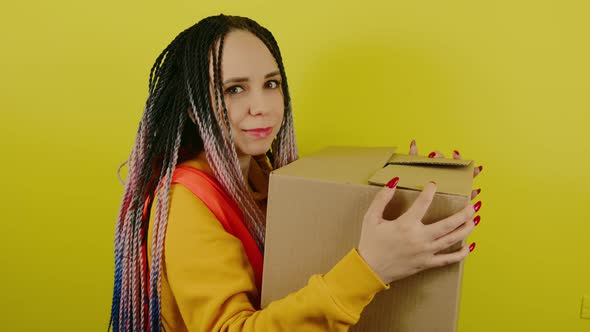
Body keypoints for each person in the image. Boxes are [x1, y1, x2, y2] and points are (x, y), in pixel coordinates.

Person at [108, 14, 484, 332]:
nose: (262, 106)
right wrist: (371, 268)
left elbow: (301, 273)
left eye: (271, 84)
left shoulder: (261, 176)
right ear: (193, 108)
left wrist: (398, 205)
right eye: (234, 89)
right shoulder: (185, 201)